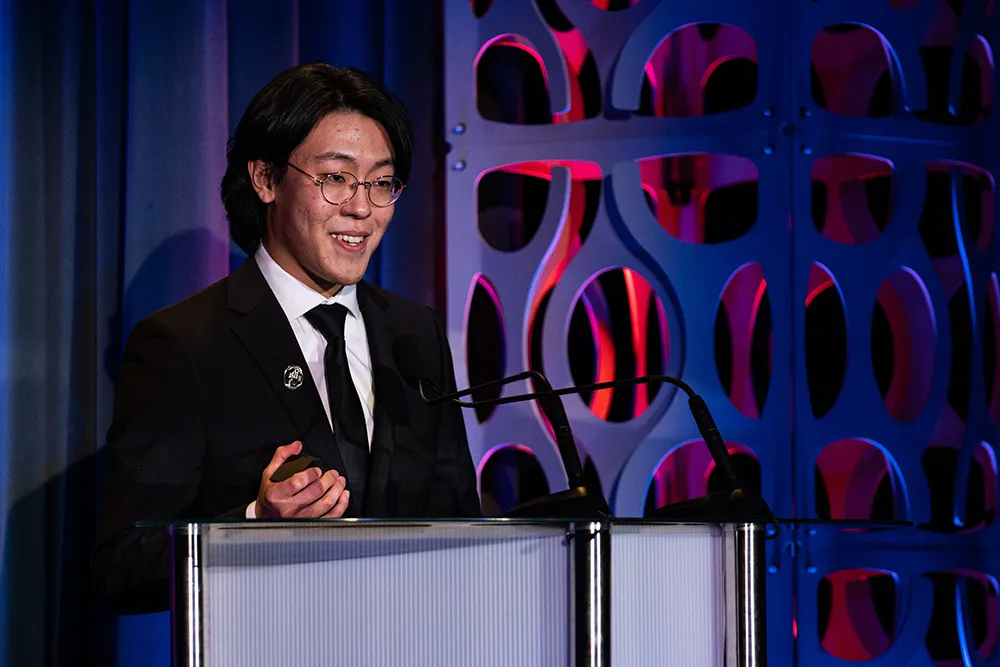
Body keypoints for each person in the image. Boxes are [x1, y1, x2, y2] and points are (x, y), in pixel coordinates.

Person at [92, 63, 481, 614]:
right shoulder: (184, 345)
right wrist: (254, 525)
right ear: (266, 179)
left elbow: (459, 524)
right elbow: (121, 567)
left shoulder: (412, 333)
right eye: (336, 178)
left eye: (381, 182)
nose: (362, 208)